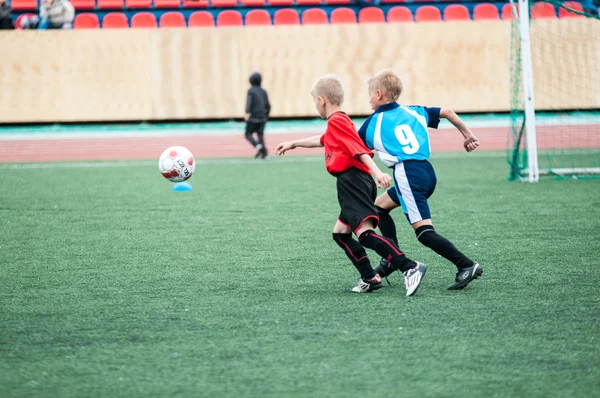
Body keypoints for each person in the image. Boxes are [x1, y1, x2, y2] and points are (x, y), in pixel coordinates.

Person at [275, 74, 427, 296]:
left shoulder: (337, 121)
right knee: (341, 234)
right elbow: (323, 139)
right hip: (351, 182)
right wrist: (294, 143)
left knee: (364, 235)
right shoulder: (338, 122)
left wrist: (377, 173)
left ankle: (409, 267)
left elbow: (358, 149)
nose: (315, 105)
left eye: (315, 101)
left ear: (322, 100)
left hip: (353, 181)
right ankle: (369, 277)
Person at [357, 69, 482, 290]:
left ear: (378, 94)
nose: (368, 99)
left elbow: (353, 146)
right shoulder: (413, 111)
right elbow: (448, 112)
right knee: (378, 208)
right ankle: (390, 258)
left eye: (369, 95)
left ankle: (466, 265)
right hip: (426, 171)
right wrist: (467, 134)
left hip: (407, 175)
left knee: (424, 233)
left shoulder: (373, 122)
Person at [244, 72, 271, 159]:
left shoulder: (251, 91)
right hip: (262, 117)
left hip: (253, 117)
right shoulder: (263, 91)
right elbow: (268, 104)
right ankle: (264, 153)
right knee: (260, 135)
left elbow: (249, 102)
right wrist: (266, 114)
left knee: (248, 133)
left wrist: (247, 112)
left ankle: (257, 145)